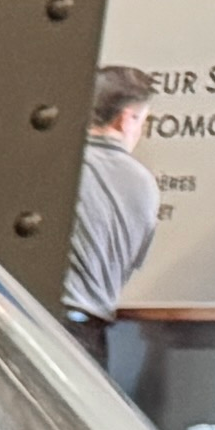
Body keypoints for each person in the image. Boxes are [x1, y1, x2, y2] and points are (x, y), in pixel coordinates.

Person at [66, 65, 161, 346]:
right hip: (89, 335)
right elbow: (134, 260)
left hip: (34, 325)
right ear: (125, 120)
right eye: (143, 121)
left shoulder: (59, 168)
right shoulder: (144, 184)